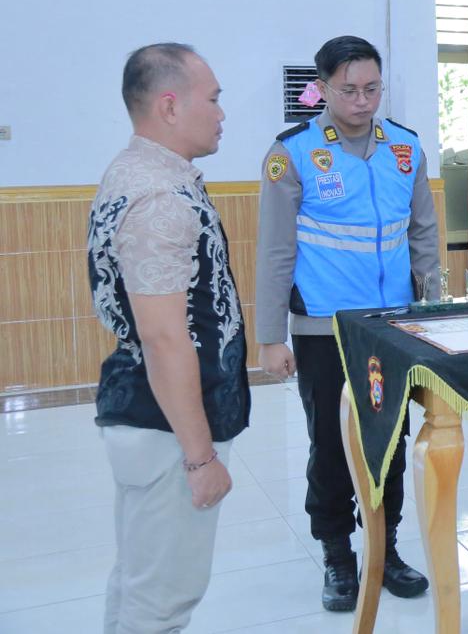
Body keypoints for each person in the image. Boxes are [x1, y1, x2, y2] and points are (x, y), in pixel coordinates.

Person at [255, 35, 438, 612]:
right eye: (349, 90)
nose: (362, 101)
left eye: (372, 89)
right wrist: (269, 336)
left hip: (392, 327)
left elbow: (424, 234)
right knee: (332, 446)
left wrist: (431, 310)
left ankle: (386, 548)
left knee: (391, 441)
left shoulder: (405, 147)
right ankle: (337, 553)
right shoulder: (294, 153)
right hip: (324, 328)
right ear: (323, 89)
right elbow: (275, 250)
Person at [88, 42, 250, 632]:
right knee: (163, 599)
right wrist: (200, 457)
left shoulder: (141, 172)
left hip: (151, 417)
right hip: (167, 428)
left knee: (140, 582)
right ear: (170, 106)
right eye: (213, 99)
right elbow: (164, 339)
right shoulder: (159, 196)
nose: (222, 113)